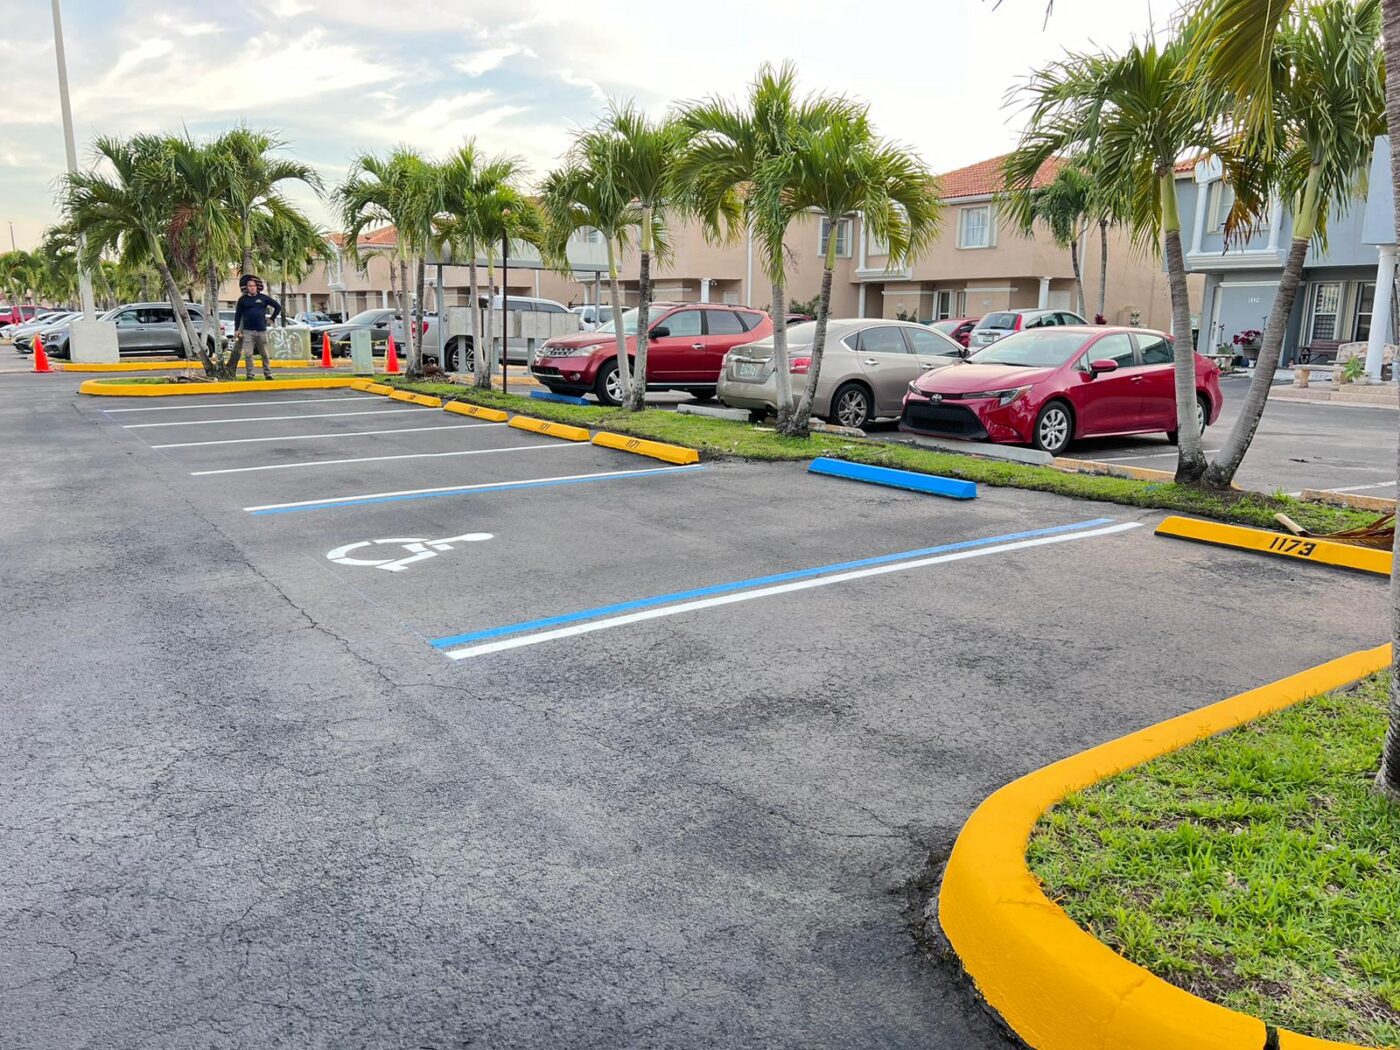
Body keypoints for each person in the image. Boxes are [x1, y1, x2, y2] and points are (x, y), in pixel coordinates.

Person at [232, 275, 282, 380]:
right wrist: (236, 329)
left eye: (254, 286)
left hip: (261, 331)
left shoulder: (263, 298)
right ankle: (250, 375)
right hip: (248, 332)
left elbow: (278, 307)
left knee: (264, 354)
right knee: (248, 354)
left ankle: (268, 374)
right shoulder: (242, 300)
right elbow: (238, 315)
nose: (252, 287)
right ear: (247, 288)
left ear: (257, 287)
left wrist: (272, 318)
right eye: (250, 286)